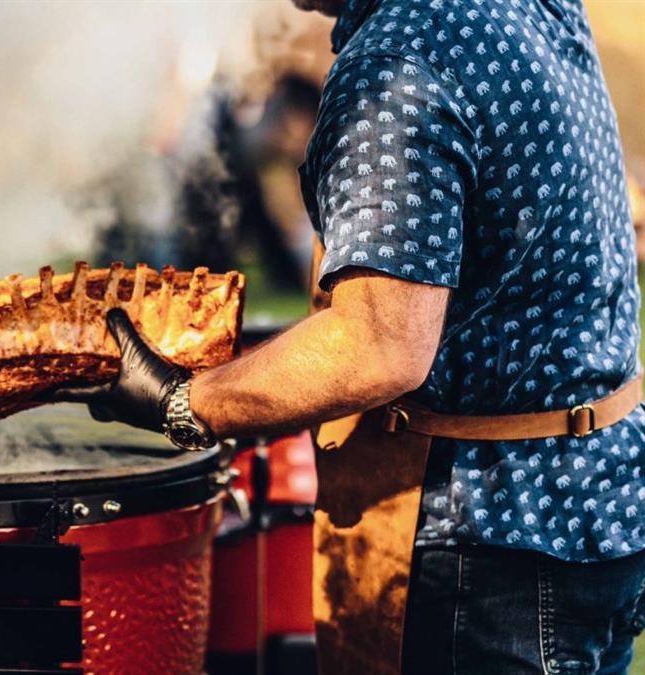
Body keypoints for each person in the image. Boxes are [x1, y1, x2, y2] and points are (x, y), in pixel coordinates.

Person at [43, 0, 645, 672]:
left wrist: (182, 402)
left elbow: (380, 346)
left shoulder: (397, 64)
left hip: (487, 549)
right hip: (601, 500)